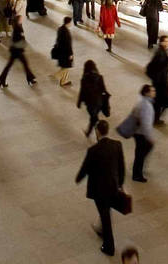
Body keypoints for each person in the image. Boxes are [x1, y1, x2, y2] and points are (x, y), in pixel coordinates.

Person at [76, 119, 129, 256]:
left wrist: (78, 178)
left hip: (99, 190)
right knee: (105, 211)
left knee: (105, 215)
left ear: (97, 131)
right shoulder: (117, 145)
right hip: (113, 186)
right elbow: (121, 166)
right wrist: (120, 184)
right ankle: (99, 228)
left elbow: (85, 168)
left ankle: (109, 246)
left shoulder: (93, 150)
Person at [0, 21, 37, 87]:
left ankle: (2, 80)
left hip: (14, 51)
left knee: (9, 66)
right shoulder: (18, 30)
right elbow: (22, 41)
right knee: (25, 65)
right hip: (17, 51)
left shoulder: (15, 30)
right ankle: (30, 79)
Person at [78, 60, 111, 137]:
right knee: (94, 118)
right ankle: (91, 132)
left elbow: (82, 92)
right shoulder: (100, 77)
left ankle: (97, 133)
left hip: (90, 104)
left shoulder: (84, 79)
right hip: (99, 102)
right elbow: (104, 90)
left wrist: (79, 103)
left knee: (94, 118)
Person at [145, 36, 168, 122]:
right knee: (161, 101)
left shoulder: (163, 51)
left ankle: (155, 118)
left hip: (162, 80)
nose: (167, 43)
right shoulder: (160, 53)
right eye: (165, 41)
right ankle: (154, 118)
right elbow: (158, 66)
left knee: (160, 101)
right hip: (160, 82)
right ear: (161, 42)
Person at [51, 15, 77, 88]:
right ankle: (56, 76)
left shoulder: (61, 29)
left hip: (60, 51)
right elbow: (67, 44)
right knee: (66, 67)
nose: (71, 24)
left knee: (65, 67)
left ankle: (63, 81)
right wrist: (70, 54)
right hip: (65, 53)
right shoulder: (65, 32)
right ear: (68, 23)